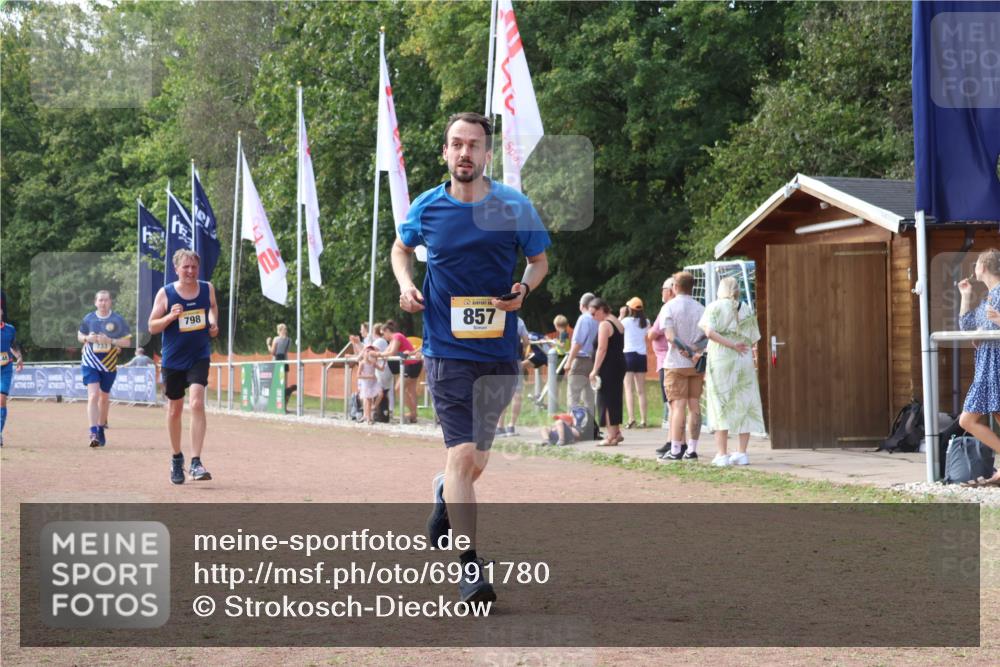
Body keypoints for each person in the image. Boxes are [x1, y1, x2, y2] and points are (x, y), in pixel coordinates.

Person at [392, 111, 550, 604]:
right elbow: (401, 249)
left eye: (474, 145)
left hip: (499, 354)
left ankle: (443, 489)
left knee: (474, 463)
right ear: (445, 152)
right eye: (456, 144)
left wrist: (524, 287)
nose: (465, 152)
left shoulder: (513, 206)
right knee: (463, 454)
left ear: (486, 153)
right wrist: (405, 284)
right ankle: (470, 568)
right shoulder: (428, 208)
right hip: (445, 352)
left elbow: (539, 260)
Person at [148, 249, 219, 485]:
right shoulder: (166, 293)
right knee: (174, 410)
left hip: (199, 354)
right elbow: (152, 327)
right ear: (176, 269)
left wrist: (213, 323)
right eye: (185, 267)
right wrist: (169, 317)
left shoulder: (207, 288)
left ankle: (196, 461)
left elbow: (211, 308)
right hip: (173, 359)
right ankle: (177, 458)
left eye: (194, 267)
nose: (190, 271)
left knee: (197, 402)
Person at [699, 277, 763, 467]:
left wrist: (731, 344)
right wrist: (738, 344)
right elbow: (754, 337)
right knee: (745, 402)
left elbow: (709, 332)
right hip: (743, 358)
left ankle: (722, 453)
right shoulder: (746, 308)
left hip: (721, 358)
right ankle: (742, 452)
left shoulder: (714, 306)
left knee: (720, 402)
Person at [957, 250, 1000, 486]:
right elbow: (967, 325)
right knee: (988, 414)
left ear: (983, 267)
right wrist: (966, 295)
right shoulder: (988, 297)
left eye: (976, 264)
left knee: (968, 419)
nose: (974, 267)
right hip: (987, 364)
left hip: (996, 364)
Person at [77, 290, 132, 448]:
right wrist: (88, 338)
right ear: (95, 302)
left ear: (110, 302)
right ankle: (93, 432)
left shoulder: (118, 320)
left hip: (108, 363)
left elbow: (127, 343)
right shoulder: (89, 318)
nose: (103, 303)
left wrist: (111, 340)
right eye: (100, 300)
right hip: (90, 361)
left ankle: (101, 428)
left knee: (104, 398)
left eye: (106, 300)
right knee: (93, 396)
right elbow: (80, 336)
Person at [661, 271, 706, 461]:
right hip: (696, 364)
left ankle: (676, 449)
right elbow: (706, 336)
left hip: (675, 363)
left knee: (677, 406)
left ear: (675, 287)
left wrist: (684, 349)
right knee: (694, 405)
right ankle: (692, 449)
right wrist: (694, 349)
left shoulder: (669, 308)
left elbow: (670, 336)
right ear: (693, 287)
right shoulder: (701, 308)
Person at [588, 298, 626, 446]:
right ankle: (616, 432)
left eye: (593, 313)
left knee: (606, 400)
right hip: (618, 364)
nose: (592, 317)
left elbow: (602, 349)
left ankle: (611, 436)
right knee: (615, 398)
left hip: (608, 366)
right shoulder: (617, 321)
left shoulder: (604, 324)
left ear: (601, 309)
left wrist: (594, 370)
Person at [648, 278, 676, 454]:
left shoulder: (667, 308)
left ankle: (673, 441)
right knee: (678, 404)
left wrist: (651, 332)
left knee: (673, 404)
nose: (661, 292)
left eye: (663, 289)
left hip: (666, 361)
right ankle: (676, 440)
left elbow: (653, 333)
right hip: (674, 360)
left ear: (671, 290)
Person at [379, 320, 421, 423]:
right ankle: (413, 416)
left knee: (398, 389)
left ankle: (413, 413)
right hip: (413, 364)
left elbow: (391, 352)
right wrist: (378, 354)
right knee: (410, 390)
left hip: (411, 364)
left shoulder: (396, 336)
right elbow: (386, 352)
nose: (384, 337)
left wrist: (376, 355)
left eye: (383, 334)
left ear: (387, 331)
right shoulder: (394, 338)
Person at [496, 316, 530, 437]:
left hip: (501, 360)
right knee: (517, 393)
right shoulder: (518, 321)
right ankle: (511, 426)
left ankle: (500, 427)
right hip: (516, 361)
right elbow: (526, 342)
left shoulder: (496, 317)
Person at [565, 292, 598, 411]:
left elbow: (578, 343)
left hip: (581, 361)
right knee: (589, 397)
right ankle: (590, 427)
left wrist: (569, 361)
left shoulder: (584, 318)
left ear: (582, 305)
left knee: (573, 396)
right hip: (594, 360)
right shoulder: (598, 319)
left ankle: (574, 425)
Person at [621, 296, 649, 428]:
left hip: (628, 355)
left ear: (630, 309)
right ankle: (644, 420)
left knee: (628, 389)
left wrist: (621, 315)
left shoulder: (625, 321)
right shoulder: (646, 322)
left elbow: (617, 329)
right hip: (641, 355)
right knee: (641, 390)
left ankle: (631, 418)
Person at [0, 307, 24, 447]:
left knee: (2, 400)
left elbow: (13, 346)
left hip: (5, 369)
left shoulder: (10, 329)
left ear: (2, 312)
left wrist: (19, 357)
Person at [267, 323, 296, 407]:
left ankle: (275, 404)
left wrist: (268, 344)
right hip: (285, 362)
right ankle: (284, 405)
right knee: (284, 384)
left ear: (279, 330)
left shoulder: (276, 339)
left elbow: (273, 352)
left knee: (275, 383)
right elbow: (286, 351)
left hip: (276, 363)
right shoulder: (289, 340)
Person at [356, 344, 384, 424]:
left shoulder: (373, 363)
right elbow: (358, 375)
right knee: (368, 400)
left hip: (373, 382)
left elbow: (381, 369)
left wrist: (384, 361)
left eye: (370, 351)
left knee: (380, 393)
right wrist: (369, 376)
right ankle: (368, 418)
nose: (369, 353)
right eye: (367, 351)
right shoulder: (362, 363)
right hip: (366, 383)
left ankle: (373, 407)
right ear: (364, 353)